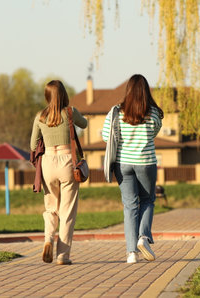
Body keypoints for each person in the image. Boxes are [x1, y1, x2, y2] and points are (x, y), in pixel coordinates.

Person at [102, 74, 164, 264]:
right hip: (146, 162)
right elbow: (154, 132)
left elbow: (106, 136)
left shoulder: (116, 112)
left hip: (123, 164)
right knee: (147, 200)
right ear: (146, 91)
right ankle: (143, 238)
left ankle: (131, 253)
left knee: (130, 206)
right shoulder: (153, 112)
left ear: (128, 91)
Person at [30, 80, 87, 265]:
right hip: (66, 161)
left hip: (47, 163)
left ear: (47, 96)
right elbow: (85, 124)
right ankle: (63, 255)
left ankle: (48, 239)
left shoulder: (40, 116)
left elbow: (32, 145)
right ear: (63, 95)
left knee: (51, 208)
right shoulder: (70, 112)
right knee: (67, 211)